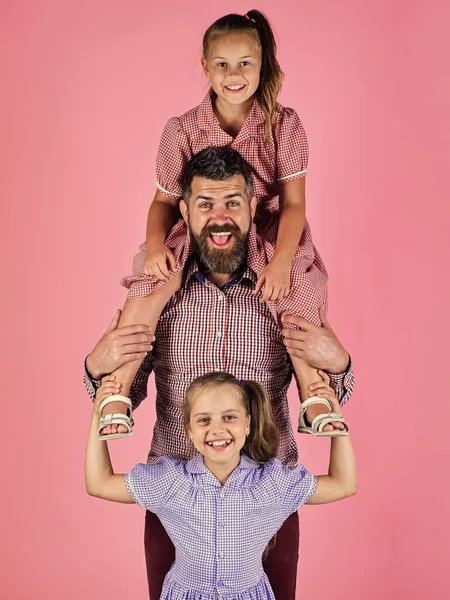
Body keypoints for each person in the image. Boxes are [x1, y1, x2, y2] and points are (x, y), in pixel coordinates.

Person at [84, 145, 355, 599]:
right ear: (185, 210)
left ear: (252, 206)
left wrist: (340, 361)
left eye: (232, 202)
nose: (220, 217)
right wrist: (97, 365)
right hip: (176, 502)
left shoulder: (282, 288)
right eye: (205, 204)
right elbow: (120, 391)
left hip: (266, 499)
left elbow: (328, 396)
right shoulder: (161, 289)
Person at [98, 9, 343, 439]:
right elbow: (163, 201)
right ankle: (117, 387)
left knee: (298, 294)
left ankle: (315, 392)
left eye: (245, 63)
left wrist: (283, 260)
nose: (234, 74)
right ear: (205, 67)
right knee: (150, 283)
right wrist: (156, 245)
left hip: (267, 228)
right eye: (223, 64)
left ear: (262, 63)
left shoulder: (283, 125)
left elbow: (294, 204)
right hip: (194, 231)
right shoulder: (182, 128)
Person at [86, 370, 357, 600]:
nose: (217, 430)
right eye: (204, 420)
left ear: (248, 424)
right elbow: (99, 484)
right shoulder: (169, 481)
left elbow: (343, 484)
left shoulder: (272, 482)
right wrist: (98, 415)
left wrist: (336, 420)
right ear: (189, 430)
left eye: (229, 417)